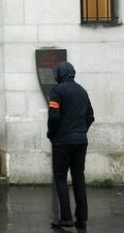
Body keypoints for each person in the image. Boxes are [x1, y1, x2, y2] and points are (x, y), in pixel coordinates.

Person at [47, 61, 94, 229]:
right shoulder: (82, 91)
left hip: (63, 142)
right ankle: (82, 218)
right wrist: (81, 131)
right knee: (78, 178)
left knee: (60, 177)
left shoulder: (57, 91)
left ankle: (66, 218)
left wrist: (52, 134)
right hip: (81, 141)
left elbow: (54, 117)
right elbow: (90, 116)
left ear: (59, 74)